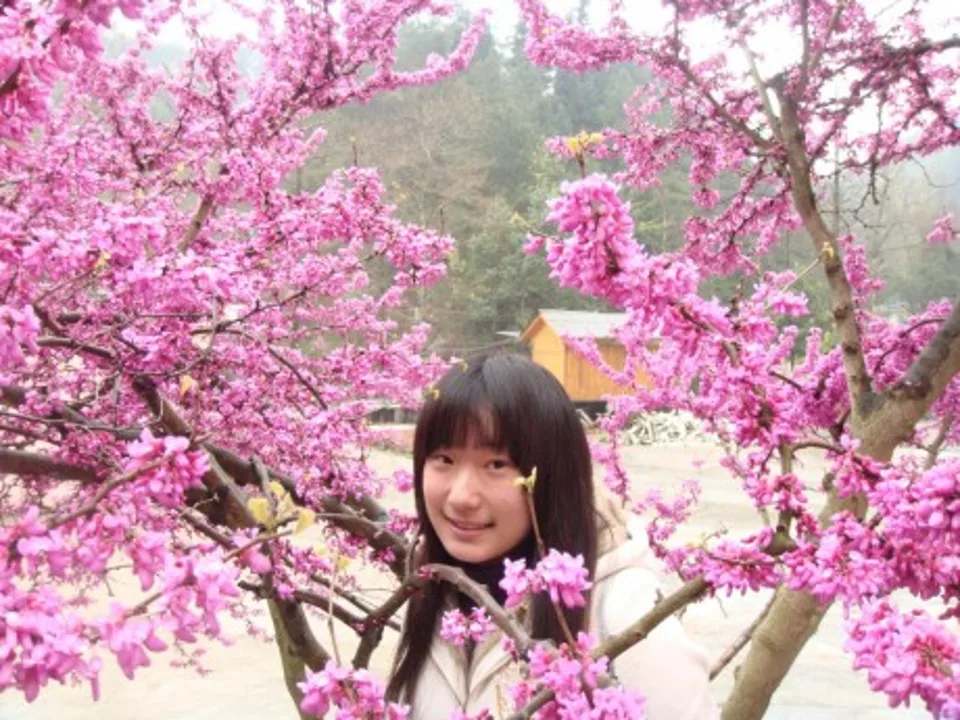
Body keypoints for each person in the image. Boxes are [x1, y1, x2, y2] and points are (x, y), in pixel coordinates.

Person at [386, 352, 717, 719]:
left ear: (553, 476)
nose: (461, 497)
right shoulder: (434, 591)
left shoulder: (623, 613)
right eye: (444, 460)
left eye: (496, 464)